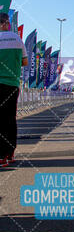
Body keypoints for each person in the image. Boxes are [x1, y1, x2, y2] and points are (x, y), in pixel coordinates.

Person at [0, 12, 28, 165]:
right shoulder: (17, 39)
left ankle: (1, 155)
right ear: (6, 24)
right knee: (10, 119)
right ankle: (10, 153)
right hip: (12, 84)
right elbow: (25, 62)